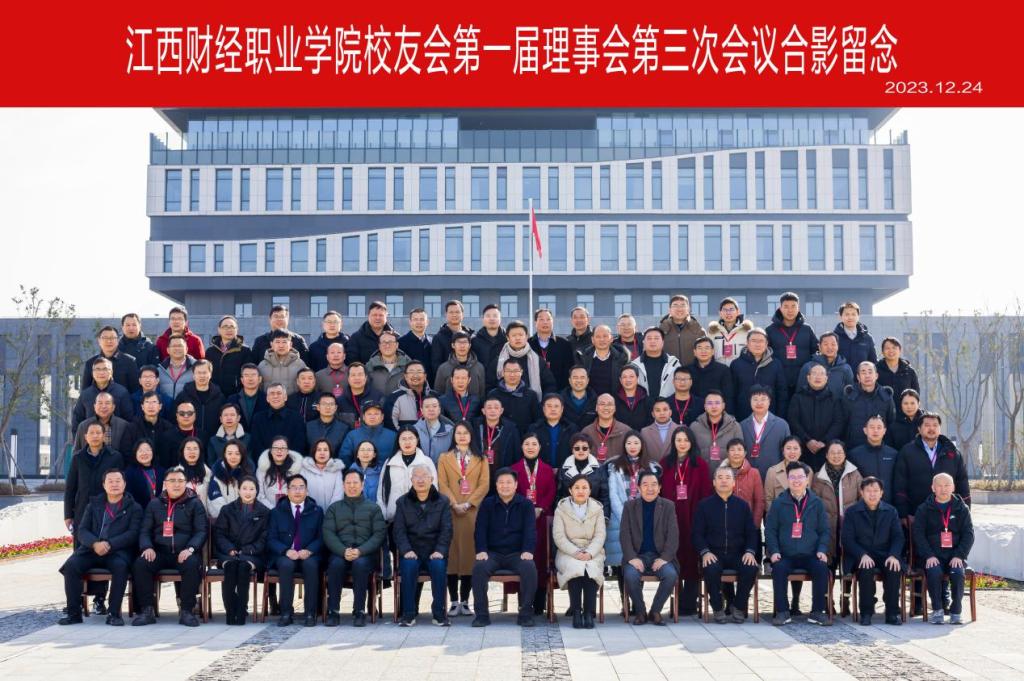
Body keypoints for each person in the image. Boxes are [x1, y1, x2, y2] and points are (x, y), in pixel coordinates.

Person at [58, 468, 142, 626]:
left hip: (117, 551)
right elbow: (82, 530)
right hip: (91, 550)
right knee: (71, 565)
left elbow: (133, 534)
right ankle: (74, 613)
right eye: (110, 481)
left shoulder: (134, 507)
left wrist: (110, 544)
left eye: (118, 481)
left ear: (124, 484)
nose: (114, 484)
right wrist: (95, 544)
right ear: (104, 485)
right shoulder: (94, 504)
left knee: (121, 567)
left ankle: (113, 614)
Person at [131, 466, 207, 627]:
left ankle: (187, 611)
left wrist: (190, 549)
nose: (176, 484)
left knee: (192, 564)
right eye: (172, 480)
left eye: (180, 481)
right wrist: (147, 547)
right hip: (159, 551)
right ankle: (147, 610)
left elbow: (201, 531)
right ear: (165, 483)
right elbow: (144, 530)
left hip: (184, 551)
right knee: (141, 564)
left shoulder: (195, 503)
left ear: (186, 483)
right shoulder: (154, 504)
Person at [765, 462, 832, 626]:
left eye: (800, 477)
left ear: (807, 479)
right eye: (792, 477)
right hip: (786, 554)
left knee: (821, 568)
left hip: (811, 554)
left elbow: (824, 530)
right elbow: (770, 530)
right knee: (779, 568)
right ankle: (782, 612)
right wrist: (774, 551)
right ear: (787, 480)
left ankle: (817, 612)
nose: (796, 480)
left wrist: (822, 549)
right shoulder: (779, 503)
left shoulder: (816, 503)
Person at [471, 468, 538, 627]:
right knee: (479, 568)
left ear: (516, 485)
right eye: (501, 482)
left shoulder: (526, 504)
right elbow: (480, 529)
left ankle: (526, 613)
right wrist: (481, 550)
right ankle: (481, 615)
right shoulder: (487, 504)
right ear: (496, 485)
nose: (505, 486)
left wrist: (527, 550)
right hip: (493, 553)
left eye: (509, 482)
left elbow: (530, 530)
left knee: (529, 568)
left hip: (517, 554)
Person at [692, 466, 759, 623]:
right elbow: (697, 534)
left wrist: (749, 551)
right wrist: (705, 552)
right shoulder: (704, 505)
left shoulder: (742, 505)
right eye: (720, 478)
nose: (724, 481)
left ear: (733, 483)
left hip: (738, 553)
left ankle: (738, 606)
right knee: (710, 568)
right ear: (714, 482)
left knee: (750, 567)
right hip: (714, 553)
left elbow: (751, 532)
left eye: (728, 478)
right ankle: (717, 608)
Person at [437, 422, 491, 617]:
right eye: (458, 433)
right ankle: (453, 601)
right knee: (452, 556)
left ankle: (466, 601)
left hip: (472, 512)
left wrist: (468, 504)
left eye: (465, 433)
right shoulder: (444, 458)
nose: (461, 436)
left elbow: (484, 485)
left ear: (471, 436)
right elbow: (442, 483)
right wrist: (454, 504)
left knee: (469, 556)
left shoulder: (481, 459)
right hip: (450, 511)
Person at [323, 469, 387, 627]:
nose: (352, 486)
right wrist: (343, 551)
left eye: (355, 483)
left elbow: (379, 534)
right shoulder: (334, 508)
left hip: (366, 553)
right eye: (348, 483)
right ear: (343, 486)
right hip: (340, 552)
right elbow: (328, 533)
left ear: (362, 485)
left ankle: (359, 611)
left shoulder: (373, 508)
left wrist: (360, 551)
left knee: (360, 564)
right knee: (335, 564)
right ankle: (333, 611)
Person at [393, 464, 453, 626]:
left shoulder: (442, 501)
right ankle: (408, 614)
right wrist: (406, 550)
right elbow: (398, 531)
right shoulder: (402, 502)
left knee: (438, 566)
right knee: (409, 566)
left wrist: (440, 550)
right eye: (416, 476)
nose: (420, 480)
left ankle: (439, 614)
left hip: (434, 551)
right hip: (412, 551)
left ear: (431, 479)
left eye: (424, 476)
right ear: (411, 480)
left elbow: (447, 530)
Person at [913, 472, 974, 625]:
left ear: (953, 487)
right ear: (933, 488)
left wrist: (959, 555)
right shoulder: (924, 509)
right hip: (932, 555)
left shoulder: (962, 508)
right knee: (934, 571)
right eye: (939, 486)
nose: (943, 489)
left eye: (947, 485)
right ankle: (937, 610)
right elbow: (918, 535)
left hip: (954, 555)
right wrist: (928, 555)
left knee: (958, 573)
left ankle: (956, 611)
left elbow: (969, 535)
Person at [841, 476, 904, 625]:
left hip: (885, 553)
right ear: (861, 492)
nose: (872, 494)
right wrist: (861, 554)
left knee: (894, 568)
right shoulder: (852, 512)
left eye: (876, 490)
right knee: (866, 568)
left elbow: (898, 537)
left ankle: (892, 613)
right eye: (868, 491)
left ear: (881, 493)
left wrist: (894, 555)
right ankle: (866, 613)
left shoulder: (890, 511)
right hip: (861, 554)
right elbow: (847, 539)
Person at [620, 470, 680, 625]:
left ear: (659, 487)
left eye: (654, 485)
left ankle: (655, 611)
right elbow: (624, 535)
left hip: (659, 556)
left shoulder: (668, 506)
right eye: (645, 485)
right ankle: (640, 612)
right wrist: (632, 558)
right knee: (630, 576)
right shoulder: (629, 506)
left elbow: (673, 536)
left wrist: (664, 558)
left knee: (670, 575)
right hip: (637, 556)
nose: (650, 488)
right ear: (638, 488)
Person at [811, 440, 862, 616]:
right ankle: (828, 601)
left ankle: (845, 600)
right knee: (829, 564)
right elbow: (814, 504)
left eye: (839, 452)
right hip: (827, 527)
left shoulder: (854, 474)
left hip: (849, 526)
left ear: (845, 454)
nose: (836, 455)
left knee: (847, 565)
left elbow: (861, 499)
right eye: (832, 452)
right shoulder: (818, 477)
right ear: (826, 455)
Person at [607, 432, 662, 594]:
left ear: (642, 445)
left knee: (639, 558)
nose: (632, 446)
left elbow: (652, 493)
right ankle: (624, 601)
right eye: (629, 443)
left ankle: (636, 601)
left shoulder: (651, 467)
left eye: (636, 443)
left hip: (643, 519)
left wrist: (638, 517)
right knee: (622, 560)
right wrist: (625, 516)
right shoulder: (615, 466)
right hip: (619, 519)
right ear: (624, 445)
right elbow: (613, 494)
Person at [267, 474, 324, 627]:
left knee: (311, 565)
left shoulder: (317, 511)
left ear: (307, 491)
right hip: (285, 554)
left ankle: (310, 613)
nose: (297, 491)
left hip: (308, 554)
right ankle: (286, 612)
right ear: (287, 491)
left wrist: (309, 550)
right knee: (286, 565)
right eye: (294, 487)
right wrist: (286, 551)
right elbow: (271, 539)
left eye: (301, 487)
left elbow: (321, 537)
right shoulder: (277, 512)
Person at [510, 433, 558, 616]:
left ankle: (540, 602)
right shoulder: (514, 469)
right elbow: (512, 492)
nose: (530, 447)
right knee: (524, 558)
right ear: (522, 447)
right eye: (527, 444)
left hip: (542, 520)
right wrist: (527, 509)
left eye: (534, 444)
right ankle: (524, 602)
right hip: (520, 520)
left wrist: (541, 508)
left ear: (539, 447)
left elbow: (551, 492)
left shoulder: (547, 469)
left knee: (541, 560)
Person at [213, 475, 270, 625]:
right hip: (229, 553)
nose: (248, 492)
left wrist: (248, 550)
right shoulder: (227, 509)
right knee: (231, 567)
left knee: (244, 568)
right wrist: (230, 549)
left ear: (257, 491)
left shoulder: (264, 512)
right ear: (238, 490)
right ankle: (230, 612)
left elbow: (264, 538)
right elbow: (219, 534)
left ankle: (241, 612)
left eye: (252, 489)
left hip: (253, 554)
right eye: (244, 488)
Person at [552, 475, 607, 629]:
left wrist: (589, 553)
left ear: (590, 490)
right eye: (576, 487)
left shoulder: (597, 509)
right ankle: (576, 611)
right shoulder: (561, 509)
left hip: (593, 551)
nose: (580, 491)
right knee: (575, 566)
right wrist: (576, 552)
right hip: (567, 551)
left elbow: (600, 535)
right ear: (570, 490)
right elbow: (559, 536)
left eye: (584, 488)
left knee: (590, 567)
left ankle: (589, 612)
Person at [894, 412, 971, 519]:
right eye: (927, 425)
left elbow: (962, 483)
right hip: (916, 514)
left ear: (939, 429)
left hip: (948, 514)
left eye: (935, 425)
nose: (931, 428)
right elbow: (900, 484)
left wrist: (965, 511)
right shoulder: (907, 452)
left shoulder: (952, 452)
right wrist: (903, 514)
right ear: (919, 429)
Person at [763, 436, 808, 613]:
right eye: (788, 448)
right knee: (781, 564)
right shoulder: (772, 471)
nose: (792, 452)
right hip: (780, 524)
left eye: (796, 448)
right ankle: (781, 605)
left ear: (801, 451)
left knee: (798, 562)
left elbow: (809, 497)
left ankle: (796, 600)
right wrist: (775, 517)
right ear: (782, 451)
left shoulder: (807, 471)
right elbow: (768, 498)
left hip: (800, 523)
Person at [64, 422, 125, 548]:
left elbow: (121, 485)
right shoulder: (77, 458)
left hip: (108, 509)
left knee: (105, 546)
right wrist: (68, 515)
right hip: (82, 508)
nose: (95, 436)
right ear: (85, 437)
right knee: (81, 547)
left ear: (104, 436)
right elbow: (70, 488)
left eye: (98, 433)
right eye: (91, 433)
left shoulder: (115, 457)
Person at [787, 364, 847, 471]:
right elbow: (793, 421)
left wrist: (824, 442)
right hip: (804, 448)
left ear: (826, 378)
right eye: (814, 373)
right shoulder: (798, 397)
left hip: (827, 449)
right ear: (808, 378)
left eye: (821, 374)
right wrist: (807, 440)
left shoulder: (834, 399)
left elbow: (838, 423)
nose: (818, 377)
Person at [377, 426, 439, 522]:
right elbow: (381, 490)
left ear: (417, 439)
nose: (407, 442)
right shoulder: (390, 462)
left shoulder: (426, 462)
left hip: (421, 518)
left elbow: (434, 489)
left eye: (411, 438)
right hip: (394, 516)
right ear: (398, 441)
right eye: (403, 439)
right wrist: (384, 514)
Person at [766, 292, 819, 400]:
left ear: (798, 308)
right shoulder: (770, 330)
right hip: (778, 381)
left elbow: (816, 352)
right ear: (780, 308)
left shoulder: (807, 329)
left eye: (793, 306)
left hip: (803, 381)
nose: (790, 310)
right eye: (786, 306)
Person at [730, 329, 789, 421]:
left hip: (770, 416)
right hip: (743, 415)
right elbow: (731, 393)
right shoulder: (736, 364)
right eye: (753, 341)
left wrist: (780, 416)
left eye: (761, 341)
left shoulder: (776, 364)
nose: (757, 344)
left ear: (766, 344)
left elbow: (782, 393)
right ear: (747, 343)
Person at [487, 320, 556, 397]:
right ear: (508, 338)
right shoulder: (498, 361)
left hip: (532, 402)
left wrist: (544, 401)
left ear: (526, 336)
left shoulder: (537, 360)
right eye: (514, 335)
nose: (517, 338)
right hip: (503, 403)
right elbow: (489, 386)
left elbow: (550, 384)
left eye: (521, 335)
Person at [739, 386, 792, 481]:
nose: (759, 403)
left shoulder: (782, 425)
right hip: (747, 477)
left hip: (775, 478)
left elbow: (787, 454)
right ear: (750, 401)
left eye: (763, 399)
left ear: (769, 401)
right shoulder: (742, 426)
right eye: (755, 399)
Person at [843, 362, 896, 448]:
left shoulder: (886, 397)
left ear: (876, 376)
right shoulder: (849, 396)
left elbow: (891, 422)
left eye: (870, 372)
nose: (867, 376)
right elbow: (843, 422)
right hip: (854, 447)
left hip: (880, 448)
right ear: (858, 377)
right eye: (863, 372)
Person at [73, 359, 134, 432]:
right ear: (92, 373)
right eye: (97, 369)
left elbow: (129, 420)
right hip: (92, 437)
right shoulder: (85, 394)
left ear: (111, 372)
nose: (101, 372)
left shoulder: (122, 392)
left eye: (105, 369)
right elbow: (77, 420)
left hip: (116, 437)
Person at [848, 415, 900, 503]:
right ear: (865, 430)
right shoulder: (854, 455)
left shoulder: (894, 454)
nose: (875, 430)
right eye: (872, 427)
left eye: (879, 427)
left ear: (884, 431)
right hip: (863, 505)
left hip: (889, 505)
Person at [690, 391, 743, 476]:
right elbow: (691, 455)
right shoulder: (695, 427)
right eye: (710, 403)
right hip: (702, 477)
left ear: (723, 406)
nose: (714, 406)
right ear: (705, 406)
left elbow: (740, 454)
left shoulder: (734, 426)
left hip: (727, 478)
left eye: (717, 403)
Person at [174, 359, 226, 443]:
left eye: (204, 373)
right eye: (198, 373)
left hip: (213, 442)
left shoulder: (220, 397)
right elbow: (174, 418)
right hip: (188, 443)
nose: (202, 376)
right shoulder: (183, 396)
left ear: (210, 374)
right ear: (193, 375)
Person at [486, 360, 542, 436]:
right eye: (508, 371)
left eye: (516, 371)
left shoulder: (531, 395)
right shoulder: (493, 394)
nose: (512, 375)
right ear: (503, 373)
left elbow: (538, 419)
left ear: (521, 372)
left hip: (524, 437)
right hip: (500, 437)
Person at [250, 383, 308, 455]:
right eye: (272, 393)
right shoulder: (258, 418)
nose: (275, 396)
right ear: (267, 398)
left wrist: (285, 459)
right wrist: (268, 459)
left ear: (285, 397)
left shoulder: (297, 418)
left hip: (291, 460)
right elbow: (256, 444)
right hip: (264, 460)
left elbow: (299, 444)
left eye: (279, 393)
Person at [720, 439, 766, 530]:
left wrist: (754, 525)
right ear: (727, 453)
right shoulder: (721, 473)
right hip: (726, 523)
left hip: (748, 523)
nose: (736, 453)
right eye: (732, 450)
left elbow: (759, 501)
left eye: (739, 449)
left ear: (745, 453)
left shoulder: (754, 473)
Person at [557, 434, 611, 511]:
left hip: (594, 512)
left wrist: (604, 516)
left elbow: (604, 496)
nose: (581, 451)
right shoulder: (563, 468)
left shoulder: (599, 468)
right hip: (568, 512)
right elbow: (558, 495)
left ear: (589, 450)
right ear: (572, 450)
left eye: (585, 448)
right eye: (577, 448)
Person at [81, 326, 140, 394]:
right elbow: (85, 392)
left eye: (112, 338)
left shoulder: (129, 361)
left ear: (118, 340)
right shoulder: (90, 363)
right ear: (99, 341)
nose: (109, 341)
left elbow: (135, 391)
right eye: (105, 338)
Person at [206, 315, 255, 397]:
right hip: (214, 395)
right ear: (219, 330)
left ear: (237, 330)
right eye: (225, 327)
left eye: (232, 327)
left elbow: (248, 373)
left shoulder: (245, 351)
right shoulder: (210, 351)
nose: (229, 329)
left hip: (236, 395)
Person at [796, 332, 855, 400]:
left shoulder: (846, 368)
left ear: (838, 346)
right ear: (819, 347)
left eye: (833, 344)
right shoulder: (808, 367)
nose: (829, 347)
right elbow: (800, 394)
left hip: (838, 406)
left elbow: (850, 394)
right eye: (825, 344)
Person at [527, 394, 579, 470]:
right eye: (549, 406)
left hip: (566, 472)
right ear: (543, 409)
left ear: (562, 409)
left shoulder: (571, 429)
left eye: (556, 406)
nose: (553, 409)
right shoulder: (534, 428)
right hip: (540, 471)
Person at [338, 400, 395, 466]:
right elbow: (344, 458)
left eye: (376, 414)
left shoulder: (392, 436)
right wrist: (353, 471)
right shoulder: (352, 435)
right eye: (369, 414)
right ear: (364, 417)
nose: (372, 417)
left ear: (382, 417)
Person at [577, 325, 628, 398]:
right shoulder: (583, 358)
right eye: (598, 337)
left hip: (614, 402)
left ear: (611, 339)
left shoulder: (622, 358)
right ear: (592, 340)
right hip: (590, 402)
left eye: (605, 336)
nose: (602, 339)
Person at [630, 327, 681, 399]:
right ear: (643, 342)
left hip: (668, 404)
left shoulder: (674, 364)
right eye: (649, 338)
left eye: (656, 338)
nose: (652, 341)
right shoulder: (634, 365)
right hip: (643, 404)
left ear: (662, 342)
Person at [207, 440, 254, 519]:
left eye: (237, 453)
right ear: (224, 455)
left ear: (242, 455)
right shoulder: (216, 476)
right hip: (223, 520)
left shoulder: (249, 475)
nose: (233, 457)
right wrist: (233, 518)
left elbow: (252, 499)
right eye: (229, 453)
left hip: (245, 520)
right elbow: (216, 502)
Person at [431, 300, 474, 385]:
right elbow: (436, 364)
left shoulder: (471, 336)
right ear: (446, 315)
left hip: (470, 382)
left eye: (457, 312)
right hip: (448, 382)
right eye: (451, 312)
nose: (454, 315)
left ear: (462, 314)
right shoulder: (438, 338)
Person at [580, 394, 632, 463]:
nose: (606, 408)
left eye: (610, 404)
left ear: (615, 408)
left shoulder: (626, 431)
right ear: (596, 408)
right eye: (602, 404)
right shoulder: (586, 432)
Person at [256, 436, 304, 511]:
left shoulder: (297, 469)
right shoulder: (262, 469)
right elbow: (260, 496)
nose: (279, 451)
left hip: (292, 511)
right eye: (275, 448)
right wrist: (274, 511)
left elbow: (302, 493)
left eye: (283, 448)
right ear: (270, 450)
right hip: (269, 511)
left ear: (288, 451)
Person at [434, 331, 486, 399]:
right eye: (459, 342)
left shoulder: (479, 367)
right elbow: (438, 393)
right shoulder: (443, 368)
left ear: (469, 345)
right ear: (453, 345)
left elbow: (482, 394)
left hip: (473, 405)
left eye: (465, 342)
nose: (462, 346)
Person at [689, 336, 735, 410]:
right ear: (694, 352)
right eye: (700, 348)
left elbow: (728, 396)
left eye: (707, 348)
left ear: (713, 351)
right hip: (693, 412)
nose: (703, 351)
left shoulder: (723, 370)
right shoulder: (687, 371)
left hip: (717, 411)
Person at [258, 330, 309, 397]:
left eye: (284, 342)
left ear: (290, 344)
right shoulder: (262, 365)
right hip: (269, 402)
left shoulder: (300, 364)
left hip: (294, 402)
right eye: (277, 342)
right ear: (271, 344)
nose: (281, 345)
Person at [388, 360, 437, 429]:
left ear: (425, 376)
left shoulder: (435, 396)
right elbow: (390, 424)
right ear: (405, 376)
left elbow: (441, 421)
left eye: (419, 372)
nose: (415, 375)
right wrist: (404, 435)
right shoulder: (394, 397)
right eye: (411, 372)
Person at [659, 295, 705, 366]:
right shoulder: (661, 330)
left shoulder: (698, 330)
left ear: (688, 309)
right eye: (675, 305)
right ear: (670, 310)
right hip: (669, 372)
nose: (679, 309)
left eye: (683, 305)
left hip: (693, 371)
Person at [125, 390, 175, 457]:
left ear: (160, 406)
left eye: (154, 402)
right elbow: (126, 451)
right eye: (147, 402)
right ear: (142, 407)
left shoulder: (168, 427)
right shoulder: (132, 428)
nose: (151, 406)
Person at [346, 300, 396, 364]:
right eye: (374, 315)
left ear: (386, 317)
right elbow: (352, 361)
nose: (377, 318)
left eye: (381, 315)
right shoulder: (356, 338)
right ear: (368, 316)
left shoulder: (395, 337)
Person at [707, 297, 753, 366]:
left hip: (740, 370)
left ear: (738, 312)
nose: (728, 313)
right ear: (720, 313)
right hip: (719, 371)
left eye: (731, 309)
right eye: (725, 310)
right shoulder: (712, 332)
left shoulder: (747, 331)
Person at [876, 337, 921, 408]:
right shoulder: (876, 370)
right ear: (882, 352)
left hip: (905, 411)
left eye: (894, 348)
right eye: (887, 348)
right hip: (883, 411)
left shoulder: (909, 371)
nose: (891, 351)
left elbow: (916, 394)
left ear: (900, 350)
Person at [338, 363, 384, 429]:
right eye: (353, 375)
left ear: (366, 378)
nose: (357, 378)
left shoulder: (378, 397)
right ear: (348, 379)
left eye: (360, 374)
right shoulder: (340, 401)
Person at [366, 330, 412, 396]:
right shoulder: (369, 365)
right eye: (384, 342)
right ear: (379, 346)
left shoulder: (408, 365)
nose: (387, 345)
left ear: (397, 345)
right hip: (377, 402)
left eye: (390, 342)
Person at [301, 439, 344, 509]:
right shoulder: (304, 470)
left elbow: (338, 494)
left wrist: (331, 511)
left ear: (330, 452)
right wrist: (313, 511)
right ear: (314, 452)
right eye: (319, 450)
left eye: (325, 450)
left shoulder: (336, 469)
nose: (322, 453)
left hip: (332, 512)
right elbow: (302, 492)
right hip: (310, 511)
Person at [835, 302, 878, 369]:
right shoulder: (834, 338)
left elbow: (873, 362)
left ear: (858, 316)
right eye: (847, 314)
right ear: (840, 317)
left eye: (853, 314)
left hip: (862, 376)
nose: (850, 317)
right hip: (841, 375)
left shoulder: (867, 338)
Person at [414, 396, 455, 464]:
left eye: (434, 406)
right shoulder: (414, 430)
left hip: (444, 469)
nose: (431, 409)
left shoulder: (450, 431)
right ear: (421, 410)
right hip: (421, 469)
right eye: (427, 407)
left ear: (439, 410)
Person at [124, 439, 164, 509]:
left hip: (160, 510)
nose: (144, 453)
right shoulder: (129, 473)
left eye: (148, 450)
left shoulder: (162, 471)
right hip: (139, 511)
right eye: (140, 451)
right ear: (135, 453)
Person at [227, 364, 268, 430]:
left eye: (253, 375)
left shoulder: (267, 399)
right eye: (246, 375)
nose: (250, 379)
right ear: (242, 380)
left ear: (259, 379)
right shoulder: (232, 400)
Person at [178, 437, 212, 512]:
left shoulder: (208, 472)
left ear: (200, 452)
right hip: (182, 514)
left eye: (195, 449)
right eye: (188, 449)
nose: (192, 452)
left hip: (203, 513)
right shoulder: (175, 473)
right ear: (182, 451)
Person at [614, 366, 653, 431]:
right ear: (620, 380)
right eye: (624, 377)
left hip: (642, 436)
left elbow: (651, 423)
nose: (628, 380)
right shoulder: (614, 400)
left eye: (631, 376)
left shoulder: (647, 400)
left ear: (637, 378)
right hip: (620, 436)